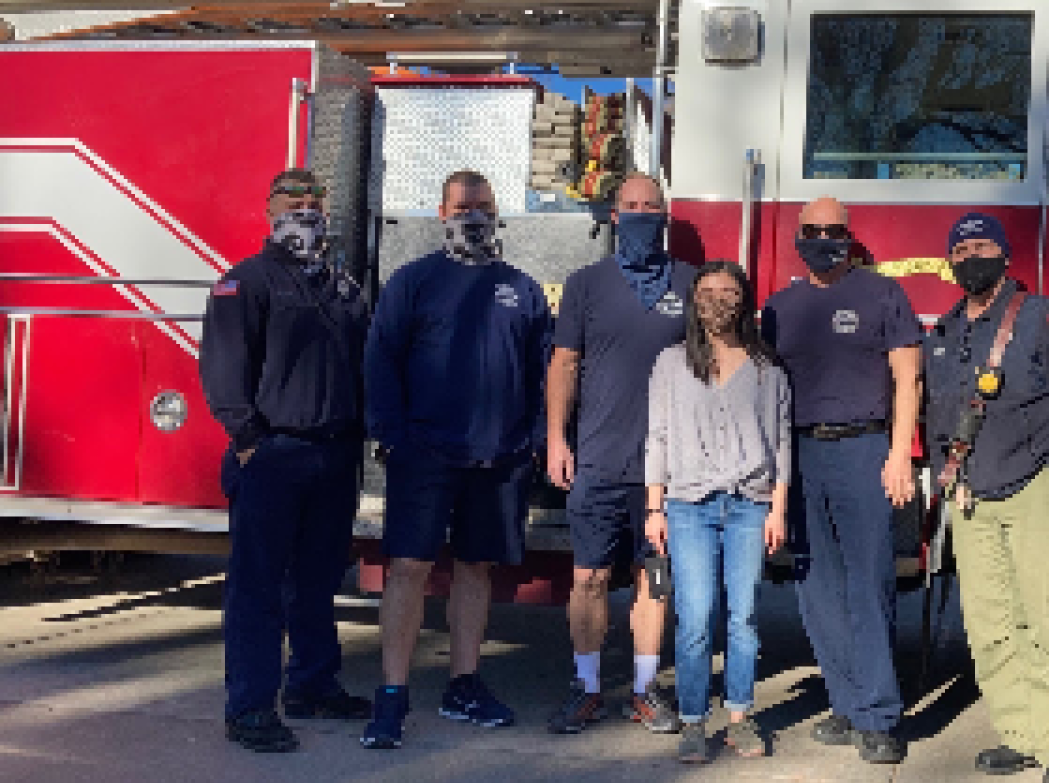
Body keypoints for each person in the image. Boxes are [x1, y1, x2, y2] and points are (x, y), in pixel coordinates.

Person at [922, 212, 1049, 783]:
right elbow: (937, 412)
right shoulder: (947, 331)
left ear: (1006, 257)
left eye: (982, 246)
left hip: (1033, 489)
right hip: (972, 494)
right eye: (961, 248)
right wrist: (945, 476)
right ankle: (1021, 732)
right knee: (992, 624)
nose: (971, 256)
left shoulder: (1042, 318)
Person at [360, 170, 552, 749]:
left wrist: (537, 440)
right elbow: (380, 359)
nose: (474, 215)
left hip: (499, 460)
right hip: (424, 453)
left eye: (485, 205)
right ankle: (392, 694)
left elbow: (548, 370)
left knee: (476, 570)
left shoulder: (522, 288)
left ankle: (463, 683)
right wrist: (391, 436)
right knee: (409, 569)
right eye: (463, 206)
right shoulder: (413, 281)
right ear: (441, 212)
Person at [201, 168, 371, 753]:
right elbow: (223, 372)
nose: (305, 209)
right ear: (269, 210)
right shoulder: (245, 282)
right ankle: (249, 707)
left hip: (334, 455)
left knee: (318, 582)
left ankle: (313, 685)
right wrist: (250, 440)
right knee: (258, 588)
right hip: (273, 454)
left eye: (313, 200)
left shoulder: (342, 288)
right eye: (292, 200)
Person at [760, 197, 921, 764]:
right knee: (816, 588)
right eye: (811, 230)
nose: (822, 238)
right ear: (798, 235)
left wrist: (899, 453)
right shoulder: (780, 306)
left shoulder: (881, 294)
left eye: (833, 230)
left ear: (850, 237)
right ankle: (847, 702)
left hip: (864, 449)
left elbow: (909, 377)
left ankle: (879, 715)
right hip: (801, 454)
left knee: (869, 584)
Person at [546, 174, 695, 735]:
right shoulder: (585, 284)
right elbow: (563, 364)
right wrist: (557, 439)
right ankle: (585, 688)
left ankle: (644, 689)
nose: (638, 214)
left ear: (665, 215)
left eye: (649, 207)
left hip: (666, 469)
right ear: (613, 215)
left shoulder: (690, 282)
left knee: (653, 580)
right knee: (588, 578)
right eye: (629, 207)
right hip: (598, 460)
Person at [643, 261, 791, 764]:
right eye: (708, 292)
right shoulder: (670, 363)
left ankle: (740, 717)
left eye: (729, 292)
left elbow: (781, 441)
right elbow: (657, 436)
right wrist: (654, 507)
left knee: (744, 615)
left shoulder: (767, 369)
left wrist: (778, 509)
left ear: (744, 300)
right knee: (695, 617)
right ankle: (691, 720)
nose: (718, 301)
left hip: (750, 504)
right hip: (688, 506)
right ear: (693, 299)